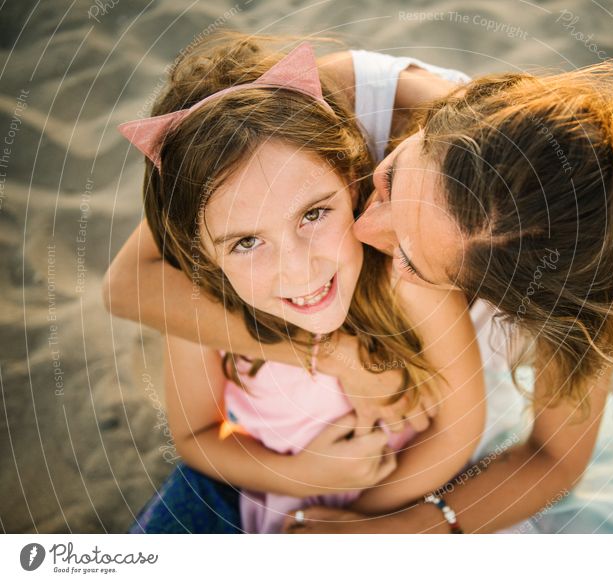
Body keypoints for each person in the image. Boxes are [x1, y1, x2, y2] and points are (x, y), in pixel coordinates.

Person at [108, 34, 613, 534]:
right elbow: (134, 285)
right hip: (288, 445)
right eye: (389, 179)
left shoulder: (568, 287)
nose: (363, 226)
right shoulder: (304, 115)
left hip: (453, 424)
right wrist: (334, 357)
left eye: (407, 254)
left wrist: (387, 531)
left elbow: (551, 457)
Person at [115, 35, 486, 533]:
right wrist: (300, 475)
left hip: (397, 502)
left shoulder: (407, 279)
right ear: (199, 252)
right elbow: (197, 435)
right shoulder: (198, 311)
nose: (298, 269)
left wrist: (352, 521)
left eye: (313, 213)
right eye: (245, 242)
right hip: (260, 500)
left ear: (354, 182)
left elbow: (459, 430)